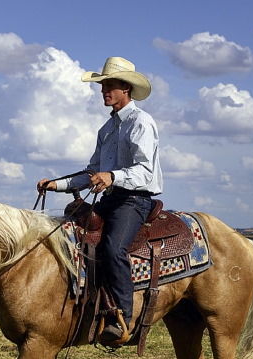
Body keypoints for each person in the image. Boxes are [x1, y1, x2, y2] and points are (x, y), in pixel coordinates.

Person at [37, 56, 163, 344]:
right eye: (102, 85)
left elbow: (145, 171)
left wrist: (113, 177)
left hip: (134, 200)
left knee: (113, 247)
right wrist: (57, 184)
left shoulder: (141, 123)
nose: (104, 90)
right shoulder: (106, 130)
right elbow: (92, 172)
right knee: (68, 236)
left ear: (126, 89)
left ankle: (123, 319)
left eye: (110, 85)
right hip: (110, 197)